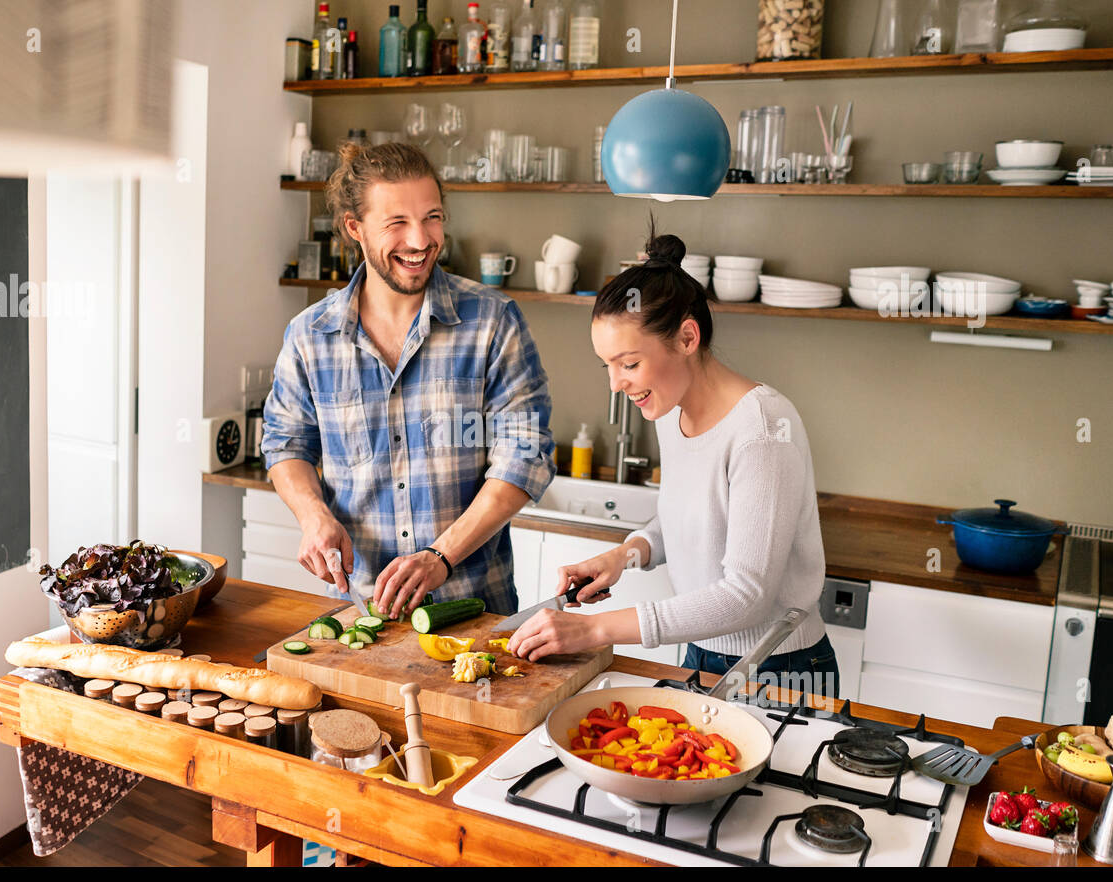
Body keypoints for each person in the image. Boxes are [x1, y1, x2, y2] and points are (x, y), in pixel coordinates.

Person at [507, 222, 838, 700]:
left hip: (778, 669)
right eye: (609, 366)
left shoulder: (763, 428)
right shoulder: (670, 410)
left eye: (630, 363)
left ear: (687, 338)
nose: (616, 384)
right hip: (699, 655)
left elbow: (746, 595)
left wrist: (595, 630)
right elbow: (687, 516)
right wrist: (626, 554)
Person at [262, 142, 555, 618]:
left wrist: (442, 556)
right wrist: (314, 516)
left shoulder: (492, 321)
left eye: (432, 217)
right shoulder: (309, 336)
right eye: (397, 223)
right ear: (355, 228)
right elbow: (286, 444)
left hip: (476, 607)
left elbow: (525, 456)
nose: (420, 240)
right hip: (359, 609)